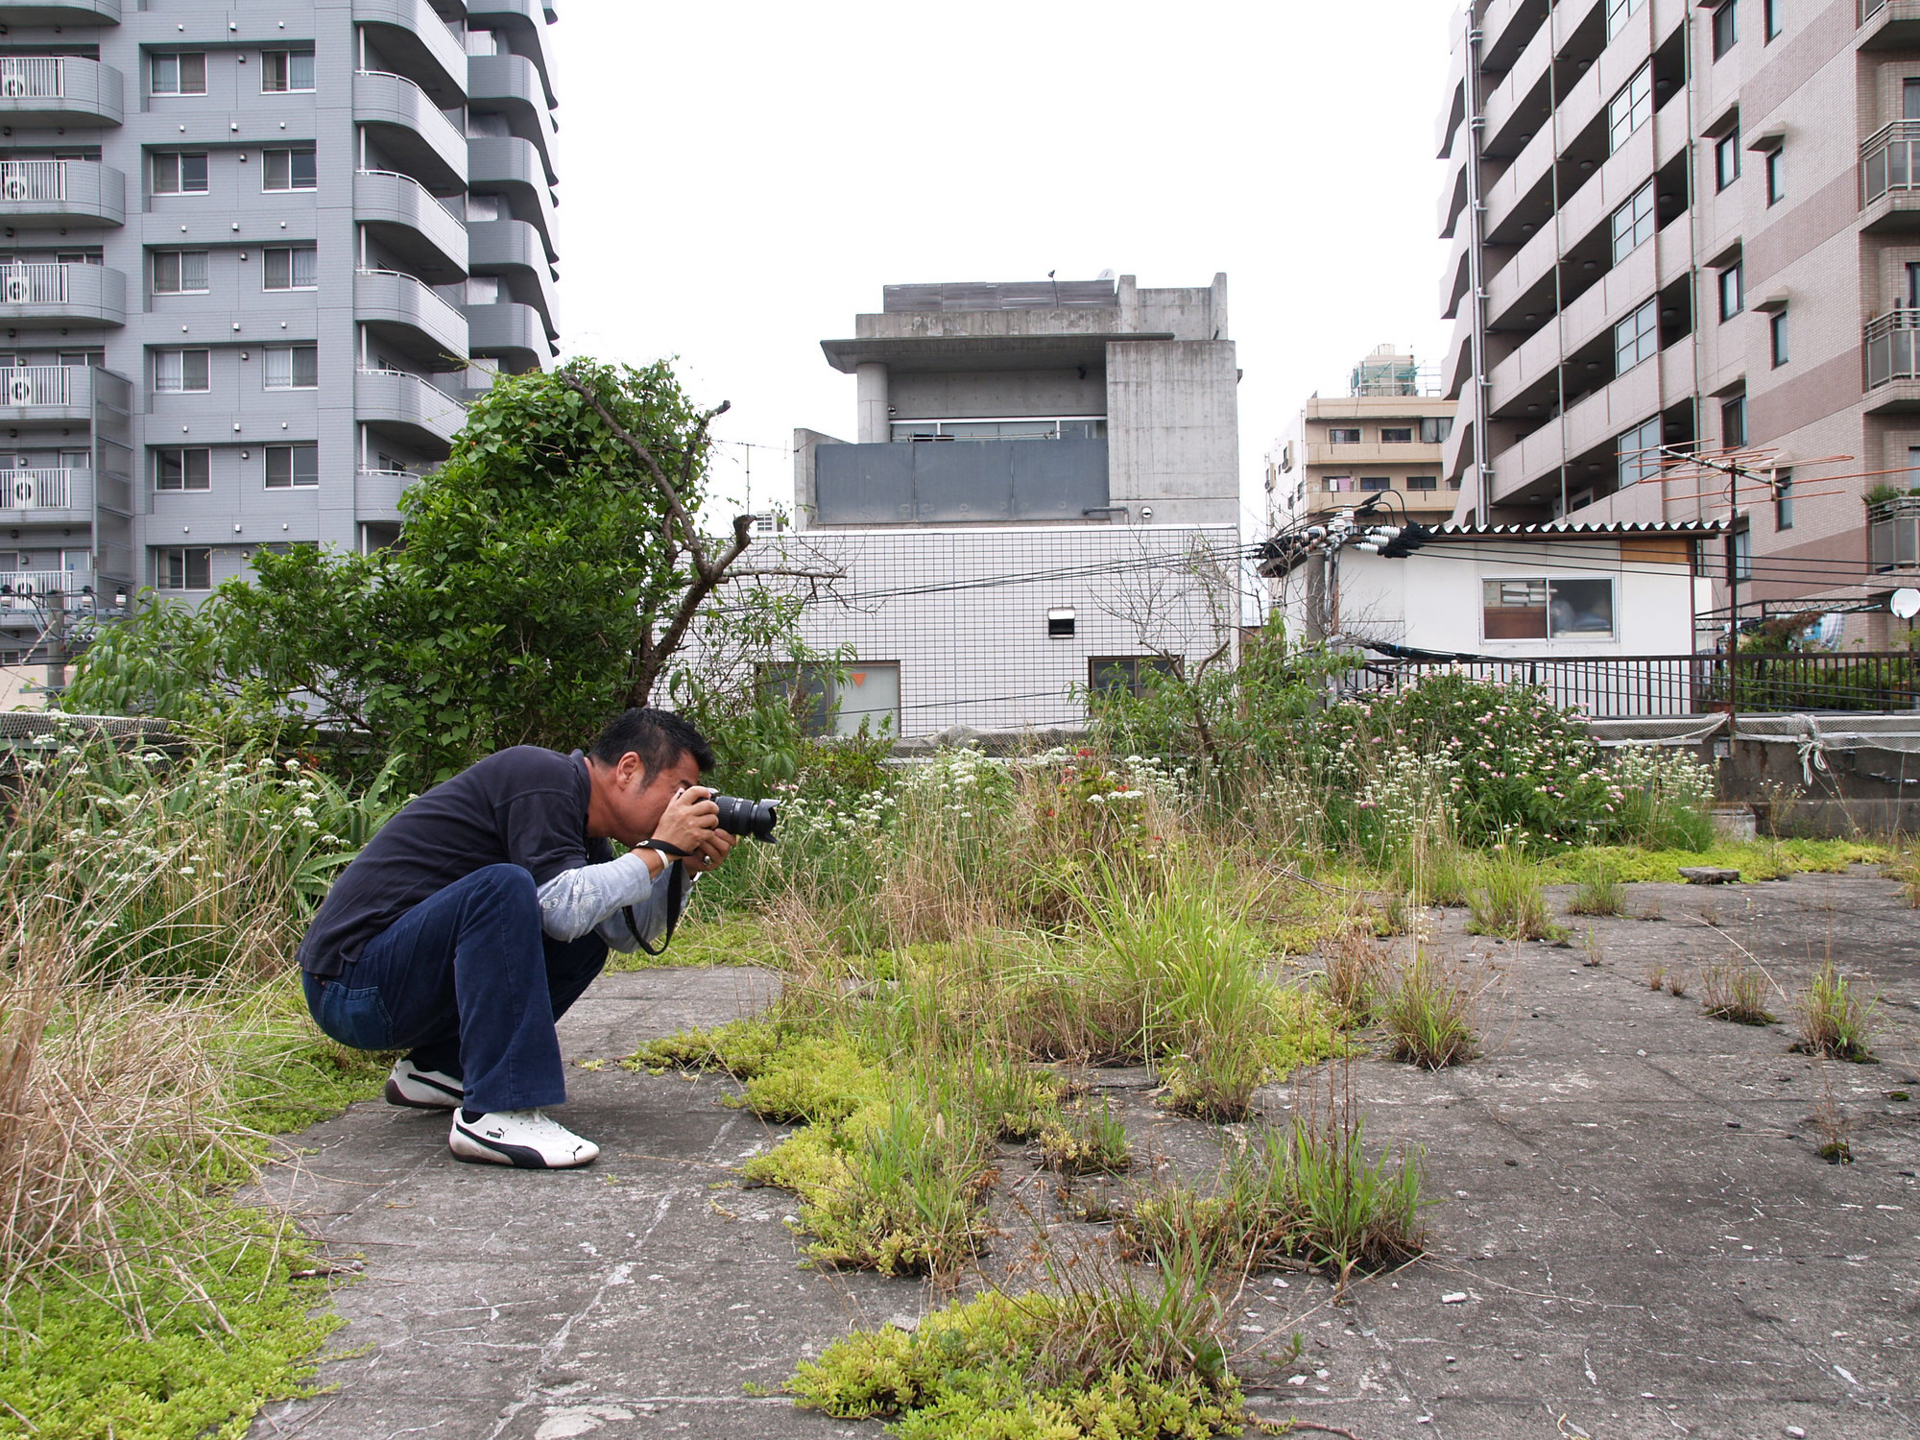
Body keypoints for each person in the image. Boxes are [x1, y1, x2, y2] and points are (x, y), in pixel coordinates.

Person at [295, 708, 734, 1170]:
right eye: (680, 792)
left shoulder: (584, 829)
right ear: (628, 769)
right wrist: (658, 849)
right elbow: (561, 909)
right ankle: (496, 1112)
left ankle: (441, 1069)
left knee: (585, 936)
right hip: (351, 987)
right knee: (502, 887)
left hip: (396, 988)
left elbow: (623, 934)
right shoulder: (539, 775)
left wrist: (679, 870)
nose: (688, 808)